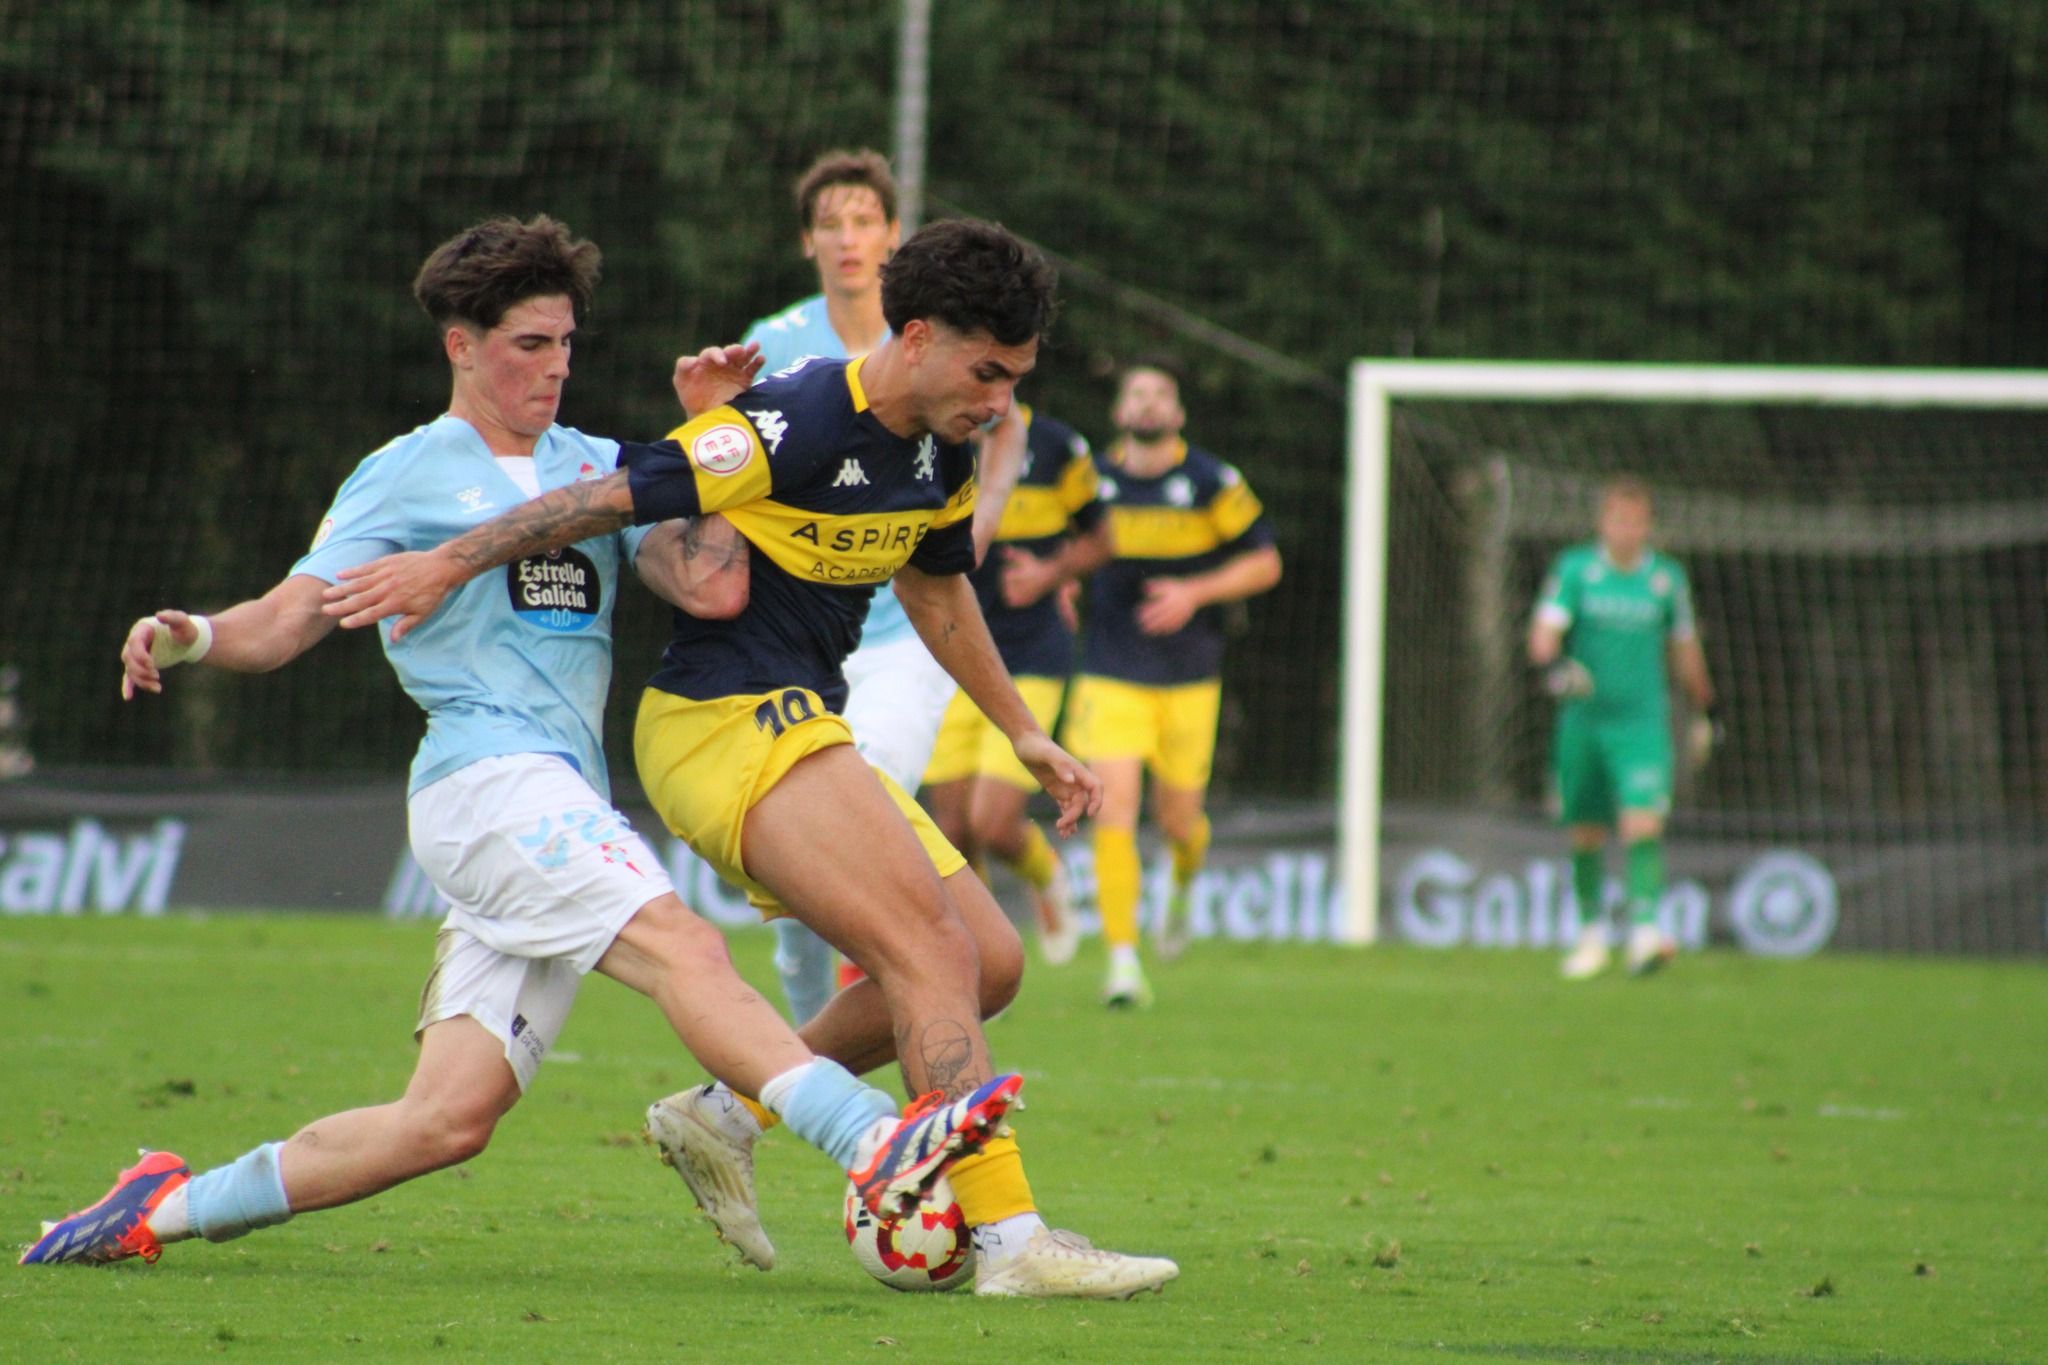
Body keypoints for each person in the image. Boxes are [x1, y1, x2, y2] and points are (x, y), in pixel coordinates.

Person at [20, 215, 1020, 1269]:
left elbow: (712, 584)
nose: (554, 368)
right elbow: (284, 622)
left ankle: (155, 1208)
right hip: (484, 786)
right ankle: (871, 1140)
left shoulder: (593, 461)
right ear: (461, 345)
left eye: (566, 345)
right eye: (527, 346)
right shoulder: (405, 474)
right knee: (683, 945)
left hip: (558, 802)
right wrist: (194, 639)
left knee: (445, 1122)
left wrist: (714, 433)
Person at [323, 218, 1179, 1299]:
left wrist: (1019, 729)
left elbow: (933, 584)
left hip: (801, 721)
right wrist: (446, 561)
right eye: (987, 371)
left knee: (989, 960)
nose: (1002, 400)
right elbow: (601, 496)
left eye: (1016, 376)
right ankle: (1012, 1243)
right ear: (915, 336)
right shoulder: (793, 418)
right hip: (716, 721)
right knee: (924, 947)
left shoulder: (943, 444)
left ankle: (724, 1112)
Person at [737, 147, 1029, 1025]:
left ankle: (909, 1057)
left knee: (874, 804)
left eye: (864, 220)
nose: (848, 238)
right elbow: (729, 461)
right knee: (803, 899)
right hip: (804, 630)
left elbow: (1008, 430)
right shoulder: (777, 343)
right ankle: (806, 1059)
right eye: (831, 223)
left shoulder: (945, 341)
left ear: (892, 234)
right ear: (808, 243)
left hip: (903, 636)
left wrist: (974, 525)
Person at [1063, 358, 1282, 1008]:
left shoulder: (1213, 481)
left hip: (1190, 677)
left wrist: (1195, 591)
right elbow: (1062, 550)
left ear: (1179, 414)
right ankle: (1124, 962)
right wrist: (1062, 584)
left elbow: (1265, 561)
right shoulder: (1090, 482)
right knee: (1114, 812)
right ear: (1119, 411)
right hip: (1111, 671)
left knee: (1180, 821)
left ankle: (1182, 884)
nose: (1148, 403)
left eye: (1161, 394)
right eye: (1137, 393)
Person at [921, 400, 1111, 965]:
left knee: (993, 822)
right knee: (951, 829)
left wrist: (1052, 574)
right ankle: (979, 955)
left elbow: (1104, 539)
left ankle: (1046, 874)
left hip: (1032, 653)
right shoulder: (927, 440)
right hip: (949, 651)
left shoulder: (1055, 445)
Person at [1528, 475, 1717, 979]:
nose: (1626, 530)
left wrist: (1705, 705)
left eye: (1635, 521)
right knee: (1586, 830)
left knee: (1641, 823)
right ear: (1603, 522)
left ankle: (1644, 934)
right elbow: (1544, 633)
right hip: (1584, 724)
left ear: (1647, 526)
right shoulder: (1577, 571)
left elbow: (1684, 648)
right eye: (1618, 519)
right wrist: (1553, 667)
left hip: (1641, 724)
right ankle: (1590, 937)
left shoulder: (1665, 580)